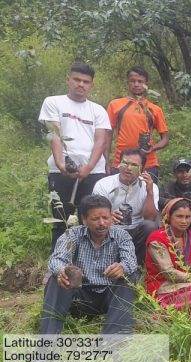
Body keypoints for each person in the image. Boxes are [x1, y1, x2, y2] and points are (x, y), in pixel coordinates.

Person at [39, 61, 111, 251]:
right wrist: (61, 164)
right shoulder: (53, 102)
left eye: (86, 81)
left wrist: (88, 167)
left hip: (93, 172)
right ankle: (57, 263)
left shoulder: (98, 110)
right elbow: (54, 135)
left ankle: (87, 260)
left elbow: (101, 141)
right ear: (68, 80)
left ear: (91, 85)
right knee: (61, 217)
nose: (81, 84)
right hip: (61, 170)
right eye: (76, 80)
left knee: (92, 219)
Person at [39, 194, 138, 334]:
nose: (102, 223)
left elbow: (131, 261)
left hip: (110, 298)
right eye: (95, 219)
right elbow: (57, 259)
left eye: (106, 218)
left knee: (129, 276)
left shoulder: (122, 235)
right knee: (58, 278)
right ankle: (47, 340)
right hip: (79, 297)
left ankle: (115, 338)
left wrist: (122, 267)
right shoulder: (72, 235)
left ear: (111, 217)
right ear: (84, 220)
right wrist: (62, 271)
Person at [92, 149, 159, 266]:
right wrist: (108, 216)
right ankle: (105, 263)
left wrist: (149, 192)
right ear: (119, 164)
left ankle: (137, 266)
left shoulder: (149, 186)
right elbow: (94, 214)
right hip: (111, 229)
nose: (128, 168)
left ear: (142, 169)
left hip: (136, 230)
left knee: (150, 226)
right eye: (125, 163)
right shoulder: (103, 184)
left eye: (134, 165)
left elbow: (150, 217)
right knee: (98, 224)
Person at [106, 66, 170, 181]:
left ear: (146, 84)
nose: (136, 84)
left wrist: (153, 148)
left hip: (148, 163)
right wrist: (106, 161)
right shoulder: (115, 105)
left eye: (140, 81)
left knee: (148, 196)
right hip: (121, 162)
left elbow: (165, 139)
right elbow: (108, 135)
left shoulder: (154, 109)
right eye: (132, 81)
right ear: (128, 82)